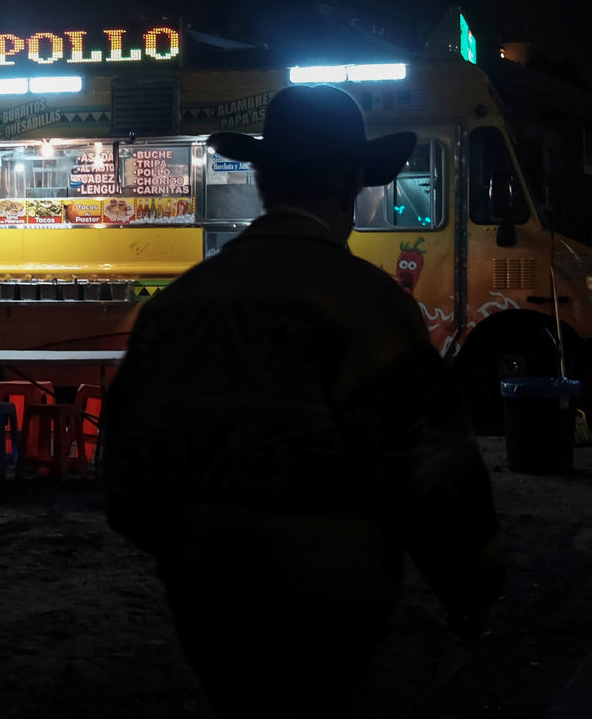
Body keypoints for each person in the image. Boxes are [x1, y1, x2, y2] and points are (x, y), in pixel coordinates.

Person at [102, 84, 505, 717]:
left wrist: (193, 554)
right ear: (353, 181)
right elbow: (433, 471)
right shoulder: (369, 307)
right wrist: (471, 587)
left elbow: (125, 477)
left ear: (264, 182)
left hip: (207, 608)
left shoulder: (176, 307)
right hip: (333, 605)